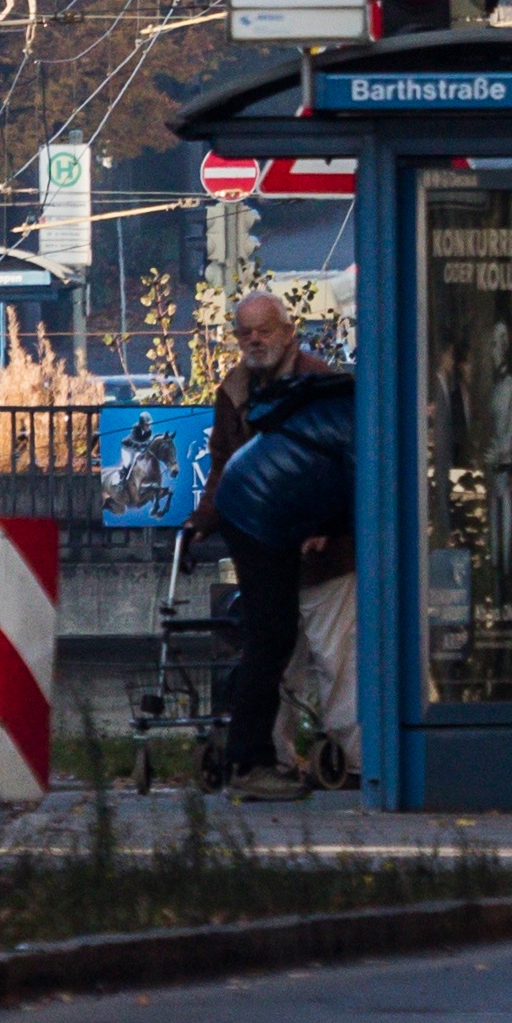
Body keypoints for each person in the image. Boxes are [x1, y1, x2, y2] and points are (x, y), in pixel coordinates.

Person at [196, 294, 358, 788]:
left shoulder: (318, 382)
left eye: (264, 329)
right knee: (277, 655)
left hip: (321, 551)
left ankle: (350, 760)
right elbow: (223, 463)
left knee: (334, 657)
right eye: (244, 332)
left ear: (289, 332)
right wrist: (202, 519)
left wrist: (326, 525)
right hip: (269, 538)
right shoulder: (233, 390)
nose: (254, 340)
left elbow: (336, 464)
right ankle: (273, 759)